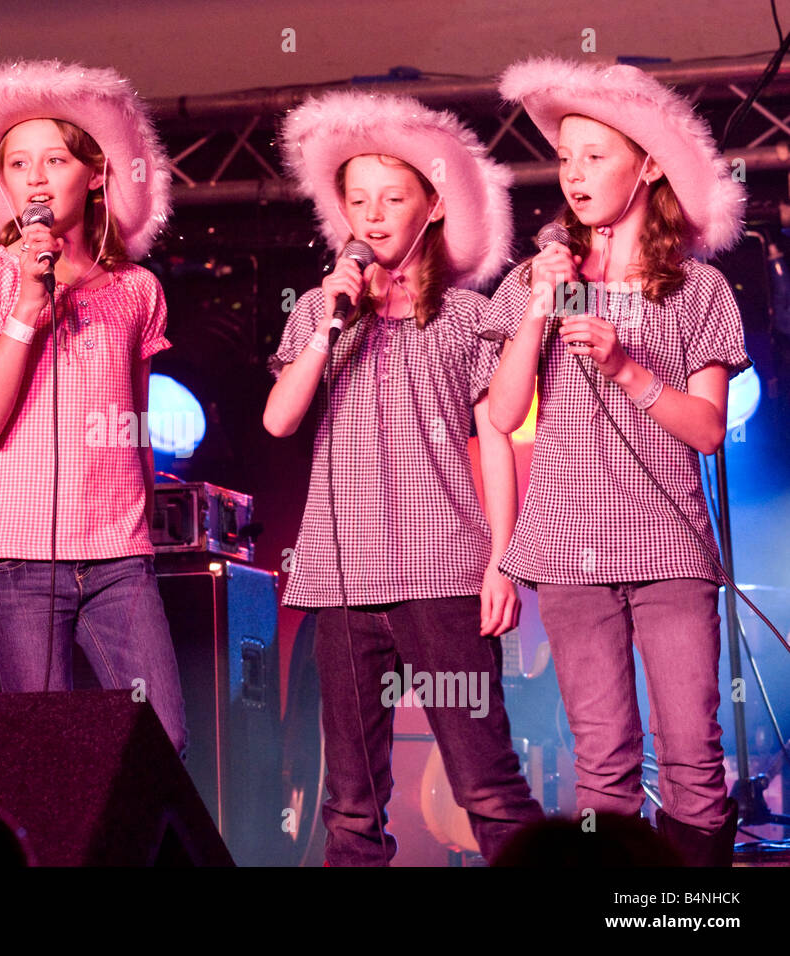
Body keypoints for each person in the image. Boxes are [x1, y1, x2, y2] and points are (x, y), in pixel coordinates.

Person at [265, 91, 544, 865]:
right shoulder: (322, 312)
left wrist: (502, 560)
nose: (374, 215)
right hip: (341, 585)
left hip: (443, 579)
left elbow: (497, 436)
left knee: (488, 787)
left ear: (434, 202)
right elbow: (278, 420)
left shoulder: (467, 317)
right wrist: (328, 323)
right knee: (351, 807)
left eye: (393, 197)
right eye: (358, 201)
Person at [485, 58, 750, 866]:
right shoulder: (544, 279)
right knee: (602, 769)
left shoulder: (697, 290)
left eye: (596, 155)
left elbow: (707, 430)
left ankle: (687, 920)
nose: (574, 175)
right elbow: (500, 414)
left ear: (651, 163)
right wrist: (537, 306)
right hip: (569, 552)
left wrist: (628, 368)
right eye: (565, 158)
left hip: (670, 553)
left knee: (693, 763)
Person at [0, 60, 186, 755]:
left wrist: (140, 537)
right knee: (48, 758)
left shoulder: (136, 290)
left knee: (161, 739)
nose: (37, 178)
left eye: (54, 159)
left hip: (117, 556)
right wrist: (27, 305)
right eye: (18, 164)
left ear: (98, 173)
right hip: (17, 558)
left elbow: (135, 425)